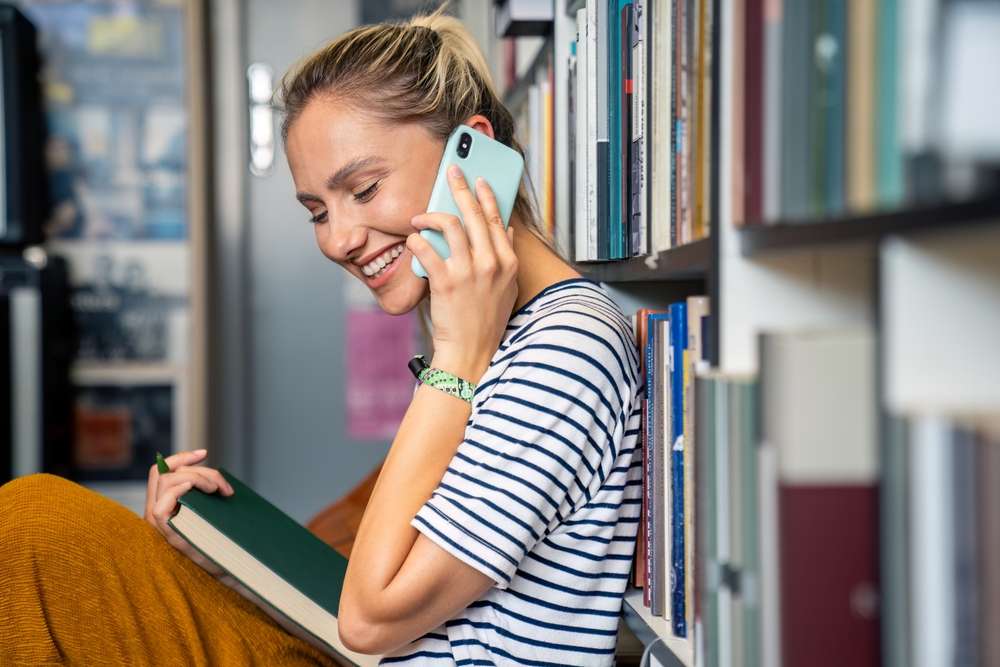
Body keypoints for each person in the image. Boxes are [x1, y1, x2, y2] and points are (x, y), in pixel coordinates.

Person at [0, 6, 642, 666]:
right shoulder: (507, 334)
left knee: (33, 528)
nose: (338, 239)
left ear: (472, 154)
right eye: (318, 211)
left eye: (363, 188)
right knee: (49, 540)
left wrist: (456, 360)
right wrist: (226, 562)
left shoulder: (566, 349)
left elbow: (370, 619)